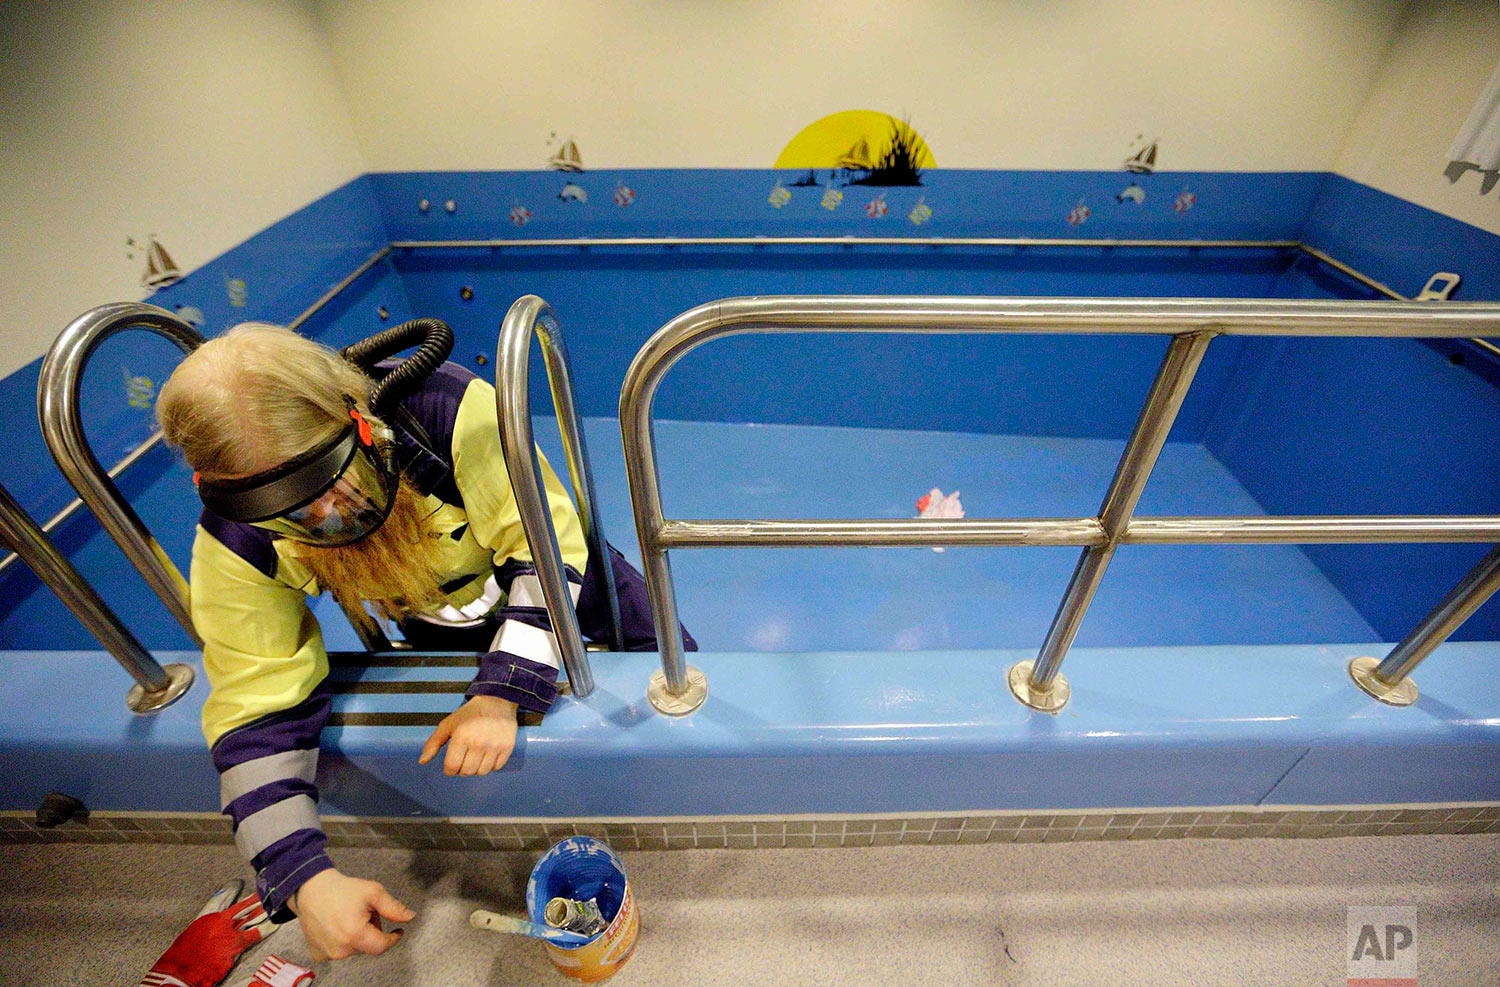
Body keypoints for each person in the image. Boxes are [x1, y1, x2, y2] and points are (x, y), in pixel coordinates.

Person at [155, 321, 693, 962]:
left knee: (673, 678)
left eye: (334, 482)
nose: (329, 519)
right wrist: (303, 877)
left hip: (570, 585)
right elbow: (256, 699)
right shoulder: (236, 536)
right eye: (292, 511)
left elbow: (543, 546)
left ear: (360, 424)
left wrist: (500, 692)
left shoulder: (447, 410)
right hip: (429, 616)